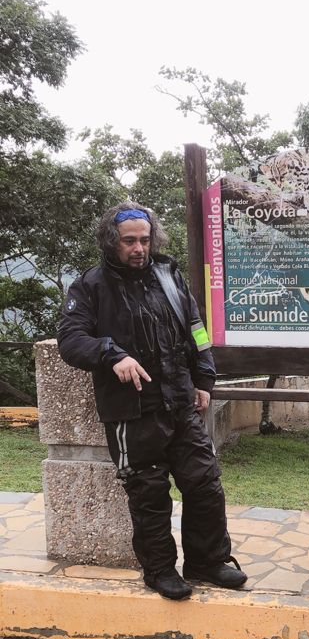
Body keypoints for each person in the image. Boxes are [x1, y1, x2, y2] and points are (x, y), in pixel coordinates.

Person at [57, 202, 247, 602]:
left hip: (180, 402)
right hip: (132, 411)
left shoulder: (168, 275)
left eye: (144, 239)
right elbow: (71, 341)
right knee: (149, 493)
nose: (138, 248)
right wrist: (113, 353)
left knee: (205, 484)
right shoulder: (90, 286)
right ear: (112, 242)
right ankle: (160, 570)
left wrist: (204, 378)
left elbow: (196, 329)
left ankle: (208, 561)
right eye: (129, 241)